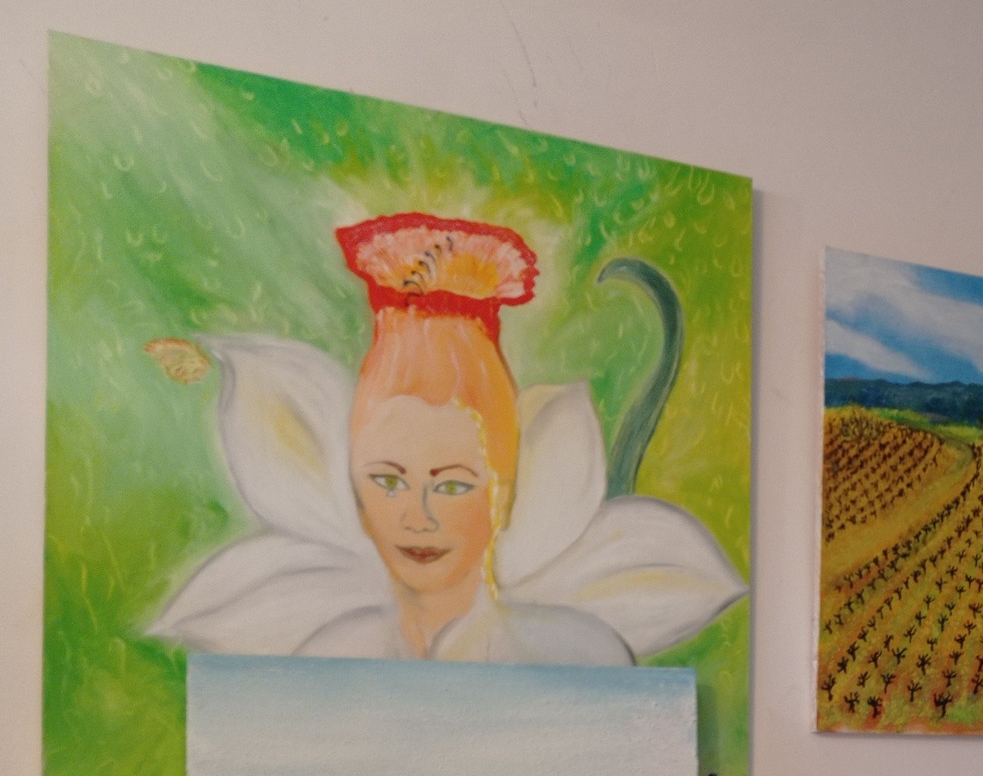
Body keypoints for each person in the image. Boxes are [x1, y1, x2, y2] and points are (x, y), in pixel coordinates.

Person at [144, 213, 745, 664]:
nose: (417, 516)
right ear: (352, 489)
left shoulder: (575, 655)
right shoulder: (326, 657)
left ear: (503, 496)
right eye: (387, 481)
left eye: (453, 485)